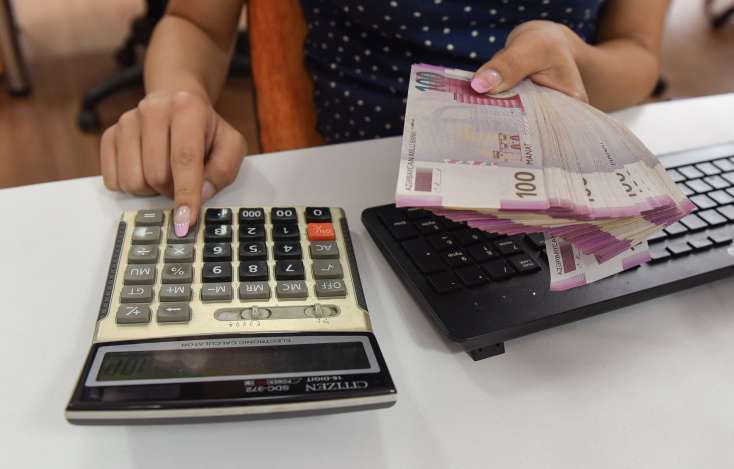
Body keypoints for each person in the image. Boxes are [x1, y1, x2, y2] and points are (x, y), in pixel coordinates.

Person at [99, 0, 670, 236]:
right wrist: (177, 95)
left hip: (565, 190)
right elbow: (196, 22)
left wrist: (574, 58)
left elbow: (637, 51)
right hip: (363, 201)